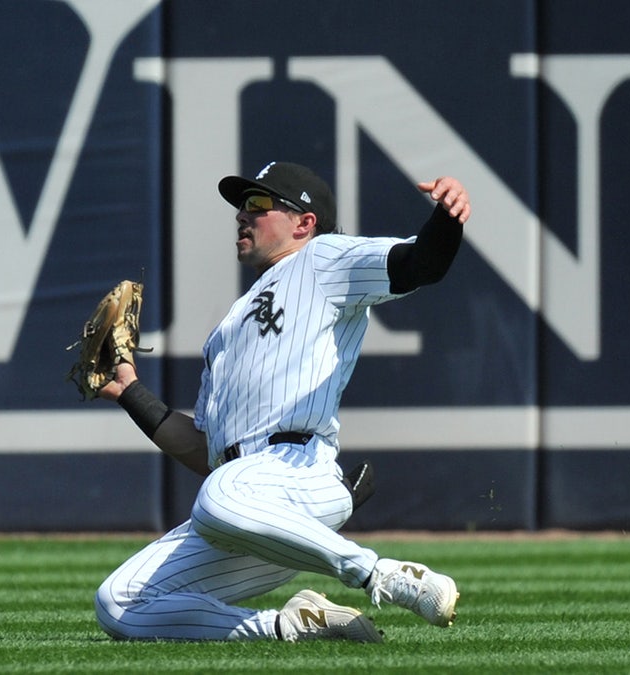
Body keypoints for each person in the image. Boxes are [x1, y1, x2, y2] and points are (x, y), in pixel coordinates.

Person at [93, 161, 470, 642]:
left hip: (298, 471)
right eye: (240, 206)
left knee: (221, 494)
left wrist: (448, 216)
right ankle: (289, 625)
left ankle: (382, 575)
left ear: (304, 223)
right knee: (118, 603)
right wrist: (129, 392)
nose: (241, 216)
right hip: (249, 511)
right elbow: (201, 450)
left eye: (256, 205)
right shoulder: (225, 332)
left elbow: (421, 264)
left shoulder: (324, 260)